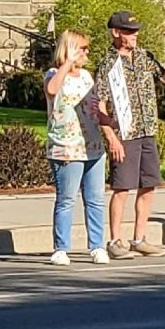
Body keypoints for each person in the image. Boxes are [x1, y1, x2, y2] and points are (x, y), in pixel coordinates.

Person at [93, 11, 165, 259]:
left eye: (136, 31)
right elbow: (98, 104)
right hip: (124, 133)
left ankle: (140, 238)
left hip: (147, 131)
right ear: (116, 33)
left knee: (148, 186)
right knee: (122, 188)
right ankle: (114, 241)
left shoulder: (144, 57)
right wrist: (111, 137)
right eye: (129, 32)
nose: (135, 35)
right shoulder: (108, 64)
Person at [44, 30, 109, 265]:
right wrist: (68, 63)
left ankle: (97, 246)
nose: (86, 53)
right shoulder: (53, 74)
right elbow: (52, 91)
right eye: (82, 48)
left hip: (92, 146)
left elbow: (95, 107)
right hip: (66, 147)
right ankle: (61, 248)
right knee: (66, 199)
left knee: (95, 199)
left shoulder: (86, 77)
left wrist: (110, 125)